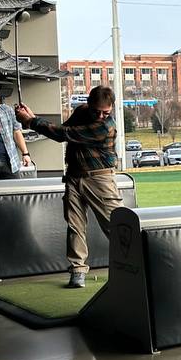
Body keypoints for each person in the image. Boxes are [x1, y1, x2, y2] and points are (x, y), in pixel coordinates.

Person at [15, 87, 123, 289]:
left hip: (100, 179)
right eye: (96, 111)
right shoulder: (82, 111)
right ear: (89, 104)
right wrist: (32, 117)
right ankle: (77, 271)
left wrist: (31, 121)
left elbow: (65, 134)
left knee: (117, 226)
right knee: (75, 226)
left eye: (105, 112)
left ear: (111, 109)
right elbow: (61, 131)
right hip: (73, 177)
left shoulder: (105, 127)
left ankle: (141, 263)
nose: (100, 116)